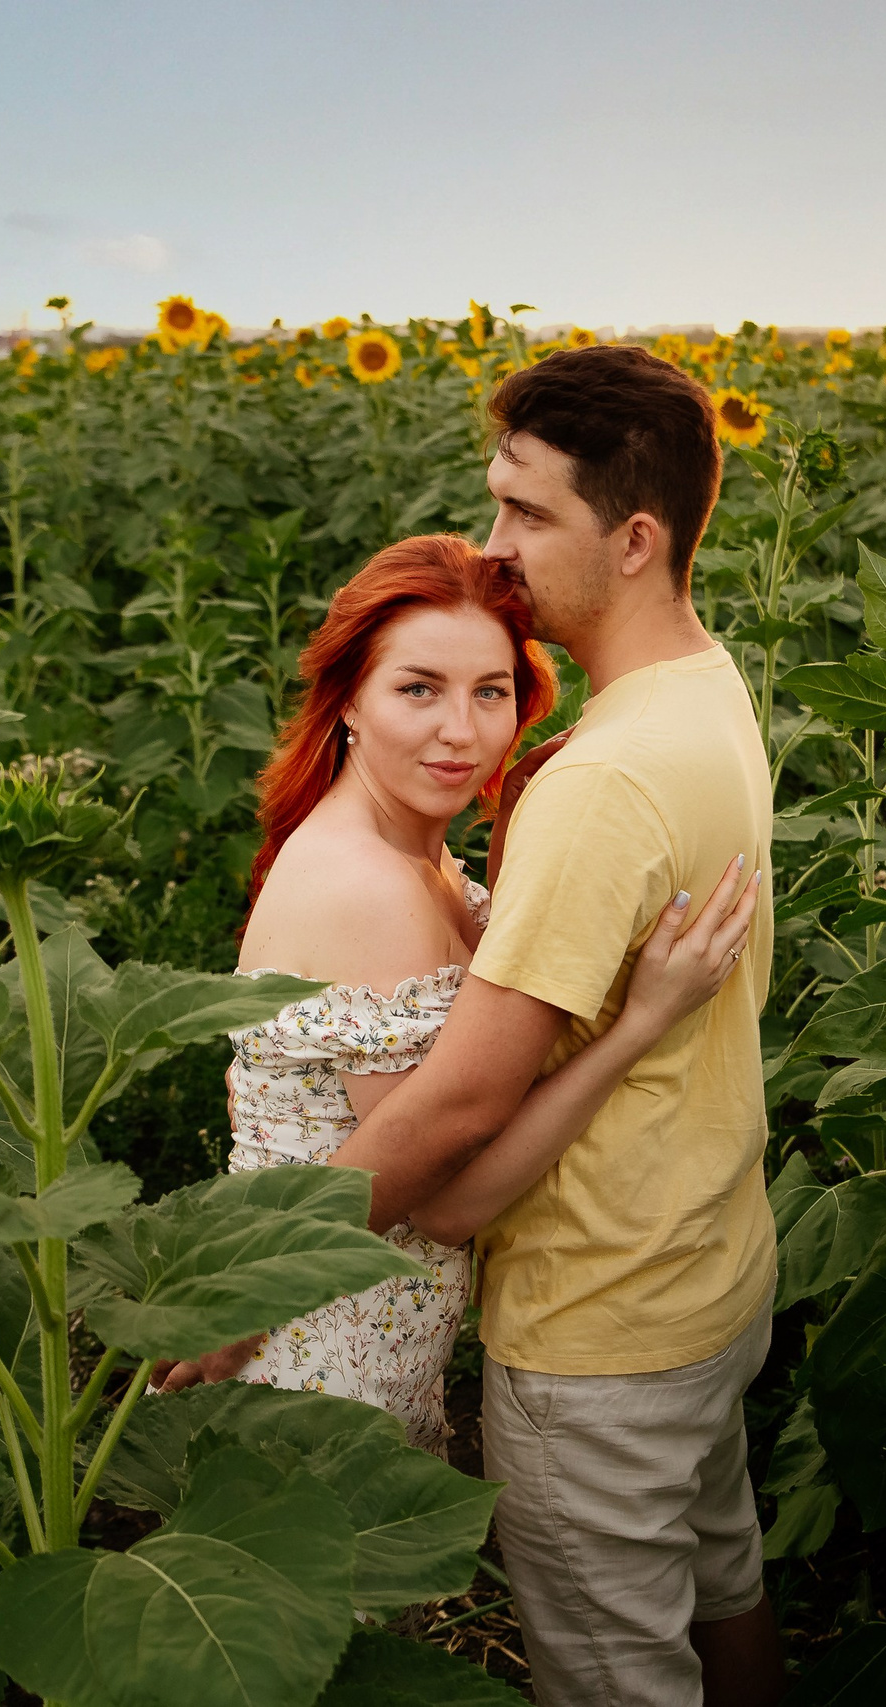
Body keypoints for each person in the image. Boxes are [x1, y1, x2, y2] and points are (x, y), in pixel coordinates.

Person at [333, 345, 788, 1707]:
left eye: (528, 513)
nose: (494, 549)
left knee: (615, 1673)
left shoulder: (603, 780)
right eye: (495, 505)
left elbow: (459, 1111)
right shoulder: (705, 688)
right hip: (708, 1263)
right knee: (726, 1587)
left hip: (598, 1324)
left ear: (635, 538)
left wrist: (241, 1273)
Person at [216, 532, 761, 1456]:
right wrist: (639, 1026)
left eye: (491, 692)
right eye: (418, 688)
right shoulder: (369, 889)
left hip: (352, 1332)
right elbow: (452, 1203)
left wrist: (516, 825)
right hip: (318, 1359)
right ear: (348, 697)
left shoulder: (408, 856)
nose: (461, 732)